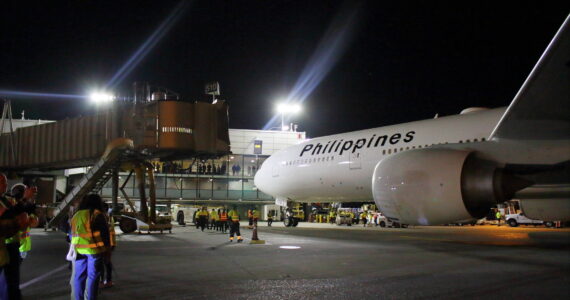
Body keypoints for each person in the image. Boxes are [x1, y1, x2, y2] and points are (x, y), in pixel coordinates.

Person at [71, 194, 110, 300]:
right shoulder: (97, 214)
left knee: (79, 277)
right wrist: (107, 251)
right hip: (94, 249)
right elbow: (105, 234)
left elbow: (72, 230)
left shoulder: (77, 214)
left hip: (78, 249)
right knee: (93, 277)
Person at [4, 183, 36, 300]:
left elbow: (33, 219)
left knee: (12, 277)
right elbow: (12, 213)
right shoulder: (9, 202)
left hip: (18, 244)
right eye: (2, 182)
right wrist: (26, 199)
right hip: (9, 245)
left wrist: (30, 202)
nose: (5, 185)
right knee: (10, 278)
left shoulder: (20, 204)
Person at [100, 203, 115, 289]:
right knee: (107, 262)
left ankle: (102, 281)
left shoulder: (102, 217)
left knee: (102, 263)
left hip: (104, 243)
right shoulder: (109, 217)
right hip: (109, 243)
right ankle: (108, 281)